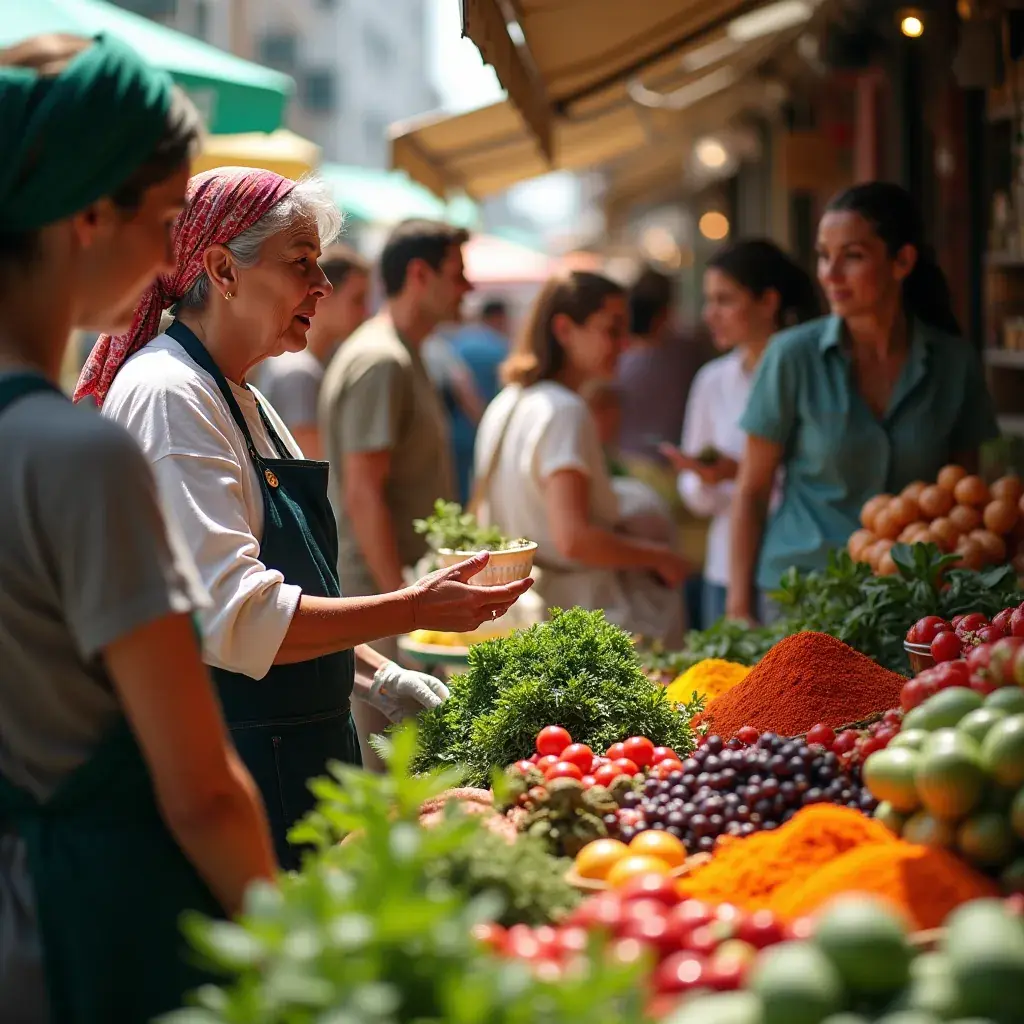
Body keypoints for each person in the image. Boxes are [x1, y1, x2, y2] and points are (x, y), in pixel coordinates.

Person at [76, 172, 531, 860]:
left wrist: (378, 677)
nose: (322, 283)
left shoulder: (244, 398)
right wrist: (411, 608)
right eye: (300, 261)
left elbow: (292, 598)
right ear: (223, 270)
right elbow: (236, 616)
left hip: (297, 760)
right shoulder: (170, 395)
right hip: (239, 774)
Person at [0, 34, 275, 1022]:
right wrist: (301, 952)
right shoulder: (78, 455)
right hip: (98, 928)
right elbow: (201, 791)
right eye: (164, 220)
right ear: (87, 214)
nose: (170, 258)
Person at [729, 182, 1000, 623]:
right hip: (802, 595)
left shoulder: (954, 364)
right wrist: (738, 610)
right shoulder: (791, 356)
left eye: (852, 256)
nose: (830, 274)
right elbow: (751, 492)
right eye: (823, 255)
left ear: (902, 261)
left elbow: (963, 498)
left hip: (911, 602)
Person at [473, 270, 690, 646]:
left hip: (525, 614)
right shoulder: (565, 411)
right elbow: (574, 540)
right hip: (578, 616)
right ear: (564, 329)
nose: (624, 344)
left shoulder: (506, 402)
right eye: (612, 329)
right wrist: (659, 557)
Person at [319, 219, 473, 649]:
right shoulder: (381, 359)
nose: (468, 288)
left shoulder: (404, 352)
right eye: (457, 275)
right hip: (383, 606)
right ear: (419, 275)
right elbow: (363, 493)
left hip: (399, 600)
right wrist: (406, 612)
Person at [660, 239, 821, 627]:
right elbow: (693, 495)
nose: (710, 314)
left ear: (768, 302)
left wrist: (742, 473)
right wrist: (708, 479)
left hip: (796, 573)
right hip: (723, 569)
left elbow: (821, 481)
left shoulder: (813, 375)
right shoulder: (713, 380)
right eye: (708, 300)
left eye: (725, 300)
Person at [258, 243, 370, 459]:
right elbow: (316, 464)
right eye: (357, 300)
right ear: (323, 297)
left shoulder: (310, 363)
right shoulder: (299, 372)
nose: (365, 312)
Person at [447, 298, 512, 499]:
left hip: (455, 431)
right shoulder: (500, 348)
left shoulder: (458, 343)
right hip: (484, 429)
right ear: (499, 318)